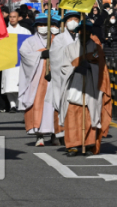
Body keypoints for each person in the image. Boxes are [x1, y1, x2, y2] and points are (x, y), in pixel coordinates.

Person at [54, 20, 111, 156]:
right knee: (72, 114)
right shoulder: (69, 48)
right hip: (74, 85)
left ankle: (88, 143)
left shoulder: (96, 49)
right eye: (82, 30)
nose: (84, 33)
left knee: (90, 114)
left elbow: (101, 66)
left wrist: (91, 66)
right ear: (78, 32)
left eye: (87, 31)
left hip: (91, 86)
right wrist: (76, 67)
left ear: (90, 33)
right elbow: (63, 67)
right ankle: (72, 145)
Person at [18, 13, 61, 146]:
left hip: (55, 78)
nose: (42, 28)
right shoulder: (29, 41)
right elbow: (24, 54)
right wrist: (41, 54)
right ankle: (39, 135)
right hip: (37, 78)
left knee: (55, 105)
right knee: (38, 105)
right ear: (36, 27)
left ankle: (55, 134)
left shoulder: (57, 40)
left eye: (45, 25)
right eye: (40, 25)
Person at [48, 10, 82, 142]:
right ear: (65, 22)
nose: (73, 22)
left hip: (78, 76)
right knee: (60, 102)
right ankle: (59, 133)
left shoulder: (82, 37)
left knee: (76, 104)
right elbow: (56, 57)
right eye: (69, 19)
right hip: (63, 76)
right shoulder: (59, 39)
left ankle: (75, 133)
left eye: (76, 19)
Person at [2, 10, 32, 113]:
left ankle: (20, 104)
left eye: (14, 17)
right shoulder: (4, 31)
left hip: (21, 61)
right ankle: (12, 105)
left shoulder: (25, 31)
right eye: (10, 17)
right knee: (9, 84)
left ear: (19, 18)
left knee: (21, 83)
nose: (12, 19)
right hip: (8, 61)